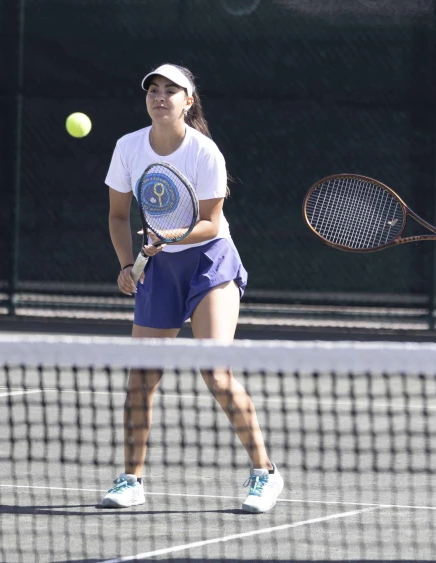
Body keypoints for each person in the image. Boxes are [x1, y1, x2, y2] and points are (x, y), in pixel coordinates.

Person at [104, 63, 283, 513]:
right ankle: (130, 480)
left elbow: (212, 223)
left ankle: (265, 473)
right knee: (141, 379)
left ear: (188, 101)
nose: (159, 97)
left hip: (210, 262)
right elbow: (119, 216)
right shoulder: (128, 148)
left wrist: (169, 239)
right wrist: (128, 264)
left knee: (215, 371)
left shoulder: (205, 153)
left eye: (171, 90)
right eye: (153, 90)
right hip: (159, 267)